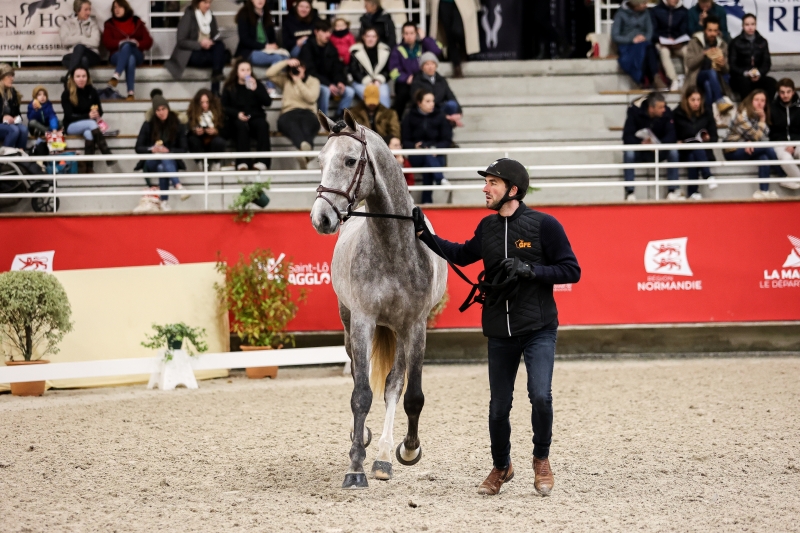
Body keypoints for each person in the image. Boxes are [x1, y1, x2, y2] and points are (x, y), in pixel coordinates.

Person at [411, 158, 581, 497]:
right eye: (486, 182)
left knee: (540, 396)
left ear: (512, 190)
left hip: (538, 327)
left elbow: (571, 270)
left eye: (492, 183)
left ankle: (541, 459)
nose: (485, 188)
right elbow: (459, 255)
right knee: (498, 406)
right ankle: (502, 466)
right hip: (499, 331)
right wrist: (424, 234)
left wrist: (531, 270)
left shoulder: (545, 225)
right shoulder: (486, 228)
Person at [621, 92, 680, 201]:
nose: (664, 109)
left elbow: (672, 135)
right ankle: (630, 192)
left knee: (673, 151)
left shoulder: (667, 113)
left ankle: (673, 190)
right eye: (660, 107)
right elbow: (627, 136)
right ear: (651, 108)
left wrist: (658, 144)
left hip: (659, 150)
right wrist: (641, 144)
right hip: (641, 151)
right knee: (628, 153)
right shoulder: (634, 112)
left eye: (664, 106)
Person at [135, 93, 189, 209]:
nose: (161, 112)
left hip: (170, 161)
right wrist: (152, 150)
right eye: (158, 110)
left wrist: (168, 150)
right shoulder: (148, 124)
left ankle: (164, 202)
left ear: (168, 109)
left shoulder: (177, 124)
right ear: (154, 112)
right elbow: (138, 147)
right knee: (162, 158)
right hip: (151, 161)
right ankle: (178, 186)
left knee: (162, 166)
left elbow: (184, 148)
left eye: (163, 109)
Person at [723, 89, 779, 199]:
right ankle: (783, 175)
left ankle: (763, 191)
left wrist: (750, 141)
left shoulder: (758, 115)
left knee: (764, 157)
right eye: (756, 100)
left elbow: (765, 136)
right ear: (750, 101)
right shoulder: (742, 115)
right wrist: (762, 120)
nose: (760, 103)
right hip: (732, 150)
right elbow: (757, 136)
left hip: (748, 148)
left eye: (763, 100)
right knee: (767, 148)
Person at [266, 58, 321, 168]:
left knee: (307, 126)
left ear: (304, 68)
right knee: (292, 125)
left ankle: (302, 150)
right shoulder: (286, 80)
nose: (295, 70)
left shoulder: (313, 81)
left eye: (298, 67)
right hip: (288, 113)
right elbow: (269, 74)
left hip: (308, 113)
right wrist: (285, 62)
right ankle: (305, 151)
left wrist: (298, 81)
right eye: (293, 68)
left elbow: (311, 98)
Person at [401, 89, 453, 204]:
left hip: (436, 154)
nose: (432, 104)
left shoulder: (440, 116)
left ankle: (427, 201)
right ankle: (440, 179)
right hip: (416, 155)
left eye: (433, 101)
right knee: (426, 155)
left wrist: (436, 149)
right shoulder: (409, 117)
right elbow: (405, 141)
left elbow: (447, 140)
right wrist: (415, 146)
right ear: (419, 103)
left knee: (428, 160)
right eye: (428, 101)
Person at [166, 0, 228, 94]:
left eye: (209, 3)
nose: (208, 5)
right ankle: (215, 90)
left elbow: (215, 36)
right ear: (197, 3)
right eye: (205, 3)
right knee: (221, 58)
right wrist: (200, 44)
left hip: (208, 50)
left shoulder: (210, 15)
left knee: (220, 46)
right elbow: (181, 41)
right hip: (191, 52)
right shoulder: (189, 16)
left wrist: (213, 41)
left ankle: (216, 76)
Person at [221, 59, 272, 171]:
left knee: (262, 125)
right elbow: (223, 106)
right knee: (240, 126)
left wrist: (256, 90)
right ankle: (242, 162)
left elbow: (267, 102)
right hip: (236, 119)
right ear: (237, 72)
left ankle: (262, 162)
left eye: (248, 69)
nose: (246, 72)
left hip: (255, 117)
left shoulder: (257, 84)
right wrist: (237, 114)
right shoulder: (230, 87)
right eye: (242, 70)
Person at [61, 67, 112, 172]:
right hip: (71, 125)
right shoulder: (66, 94)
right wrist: (88, 116)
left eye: (84, 76)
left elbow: (100, 111)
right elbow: (69, 115)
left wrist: (96, 113)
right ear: (73, 78)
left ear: (87, 77)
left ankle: (89, 168)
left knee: (89, 133)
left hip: (88, 124)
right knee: (91, 124)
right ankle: (107, 154)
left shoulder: (92, 91)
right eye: (78, 76)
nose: (81, 79)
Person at [299, 19, 354, 119]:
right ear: (316, 32)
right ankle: (324, 120)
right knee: (325, 91)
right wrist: (328, 84)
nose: (328, 35)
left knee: (349, 91)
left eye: (329, 31)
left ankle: (339, 117)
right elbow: (310, 71)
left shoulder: (331, 48)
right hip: (313, 82)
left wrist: (340, 82)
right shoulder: (307, 48)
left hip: (330, 83)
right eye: (324, 31)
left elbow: (337, 69)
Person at [389, 22, 442, 118]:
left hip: (422, 81)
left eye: (412, 33)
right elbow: (393, 71)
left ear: (416, 33)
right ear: (402, 34)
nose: (409, 36)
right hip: (405, 83)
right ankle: (396, 123)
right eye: (406, 33)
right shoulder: (397, 49)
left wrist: (424, 38)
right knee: (402, 96)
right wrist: (406, 78)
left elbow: (437, 51)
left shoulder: (423, 46)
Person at [102, 0, 153, 100]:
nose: (117, 10)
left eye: (119, 7)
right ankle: (130, 93)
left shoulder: (136, 21)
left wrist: (137, 43)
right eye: (115, 7)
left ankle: (116, 76)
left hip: (137, 52)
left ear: (125, 8)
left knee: (129, 47)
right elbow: (107, 42)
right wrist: (120, 43)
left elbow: (148, 41)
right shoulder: (109, 24)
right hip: (117, 55)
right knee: (130, 56)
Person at [674, 85, 719, 199]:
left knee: (693, 155)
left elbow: (714, 136)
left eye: (698, 100)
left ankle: (693, 192)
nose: (696, 103)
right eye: (693, 100)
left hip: (703, 151)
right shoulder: (677, 113)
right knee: (693, 148)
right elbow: (673, 134)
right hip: (683, 150)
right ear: (686, 100)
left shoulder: (707, 113)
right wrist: (677, 141)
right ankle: (707, 176)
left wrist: (708, 138)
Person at [683, 15, 733, 115]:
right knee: (710, 73)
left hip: (715, 81)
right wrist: (704, 54)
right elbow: (690, 64)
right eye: (710, 30)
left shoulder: (722, 45)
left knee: (708, 84)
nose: (712, 34)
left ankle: (708, 114)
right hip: (696, 77)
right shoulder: (694, 42)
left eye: (715, 31)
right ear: (704, 30)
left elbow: (727, 70)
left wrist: (723, 64)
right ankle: (719, 101)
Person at [612, 0, 661, 89]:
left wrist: (644, 37)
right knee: (645, 51)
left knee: (649, 48)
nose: (646, 5)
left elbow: (650, 31)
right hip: (627, 46)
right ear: (635, 5)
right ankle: (648, 79)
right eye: (643, 3)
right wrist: (632, 40)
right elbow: (615, 36)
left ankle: (654, 77)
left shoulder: (646, 13)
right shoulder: (620, 14)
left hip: (644, 43)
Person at [728, 14, 777, 101]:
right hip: (740, 77)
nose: (750, 27)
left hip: (757, 75)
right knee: (744, 83)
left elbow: (767, 63)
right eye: (747, 24)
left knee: (772, 83)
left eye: (752, 24)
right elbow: (732, 65)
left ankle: (766, 108)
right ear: (742, 26)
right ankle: (747, 109)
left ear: (756, 25)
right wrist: (746, 73)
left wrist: (759, 73)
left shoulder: (762, 41)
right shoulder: (735, 42)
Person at [427, 0, 481, 78]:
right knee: (449, 35)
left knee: (458, 31)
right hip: (443, 3)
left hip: (463, 2)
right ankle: (457, 66)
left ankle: (463, 49)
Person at [410, 52, 463, 127]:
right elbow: (417, 101)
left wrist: (459, 112)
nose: (430, 67)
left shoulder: (441, 80)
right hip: (426, 110)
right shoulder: (417, 81)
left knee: (452, 105)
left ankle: (449, 125)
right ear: (422, 67)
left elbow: (450, 96)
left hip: (440, 108)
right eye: (427, 64)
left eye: (432, 64)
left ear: (436, 66)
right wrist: (443, 115)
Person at [233, 0, 285, 71]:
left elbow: (272, 36)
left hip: (267, 50)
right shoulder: (244, 14)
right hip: (250, 51)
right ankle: (272, 82)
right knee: (278, 58)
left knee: (285, 57)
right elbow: (244, 39)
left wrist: (274, 45)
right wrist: (264, 46)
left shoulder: (266, 13)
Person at [650, 0, 689, 91]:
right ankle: (674, 80)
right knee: (664, 52)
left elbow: (685, 31)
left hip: (678, 43)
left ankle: (689, 80)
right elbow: (652, 32)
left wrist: (679, 41)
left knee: (687, 50)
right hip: (662, 42)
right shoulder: (656, 11)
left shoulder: (684, 11)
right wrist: (662, 39)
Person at [349, 27, 392, 109]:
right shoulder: (355, 51)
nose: (370, 39)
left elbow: (388, 70)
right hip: (361, 82)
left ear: (377, 38)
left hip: (379, 82)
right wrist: (367, 81)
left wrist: (378, 80)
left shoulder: (385, 50)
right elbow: (353, 71)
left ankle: (384, 119)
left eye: (373, 36)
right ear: (363, 37)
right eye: (368, 36)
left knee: (384, 94)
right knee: (370, 94)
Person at [769, 79, 800, 190]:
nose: (785, 95)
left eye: (788, 92)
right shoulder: (772, 108)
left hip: (797, 142)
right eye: (782, 92)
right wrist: (785, 144)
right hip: (779, 143)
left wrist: (794, 144)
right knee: (785, 158)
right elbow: (771, 132)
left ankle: (792, 180)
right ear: (778, 93)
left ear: (793, 92)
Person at [186, 88, 226, 171]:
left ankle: (216, 162)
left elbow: (226, 130)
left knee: (219, 141)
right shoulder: (192, 113)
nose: (204, 105)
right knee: (192, 140)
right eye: (202, 103)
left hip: (214, 141)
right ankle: (200, 164)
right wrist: (195, 131)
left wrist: (216, 131)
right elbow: (188, 132)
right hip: (199, 142)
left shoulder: (219, 112)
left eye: (207, 102)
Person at [59, 0, 102, 74]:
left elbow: (95, 42)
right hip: (72, 54)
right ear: (78, 10)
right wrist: (82, 39)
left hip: (92, 54)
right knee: (83, 60)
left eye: (89, 9)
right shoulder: (67, 24)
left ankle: (69, 76)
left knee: (79, 47)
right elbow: (65, 41)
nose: (88, 12)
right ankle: (81, 83)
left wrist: (78, 40)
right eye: (86, 10)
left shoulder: (93, 24)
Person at [0, 65, 28, 150]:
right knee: (13, 130)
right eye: (9, 76)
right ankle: (4, 158)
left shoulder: (12, 92)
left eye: (12, 76)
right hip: (3, 124)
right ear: (1, 77)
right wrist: (3, 118)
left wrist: (16, 118)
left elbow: (17, 113)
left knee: (23, 129)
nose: (12, 79)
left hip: (8, 124)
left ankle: (19, 157)